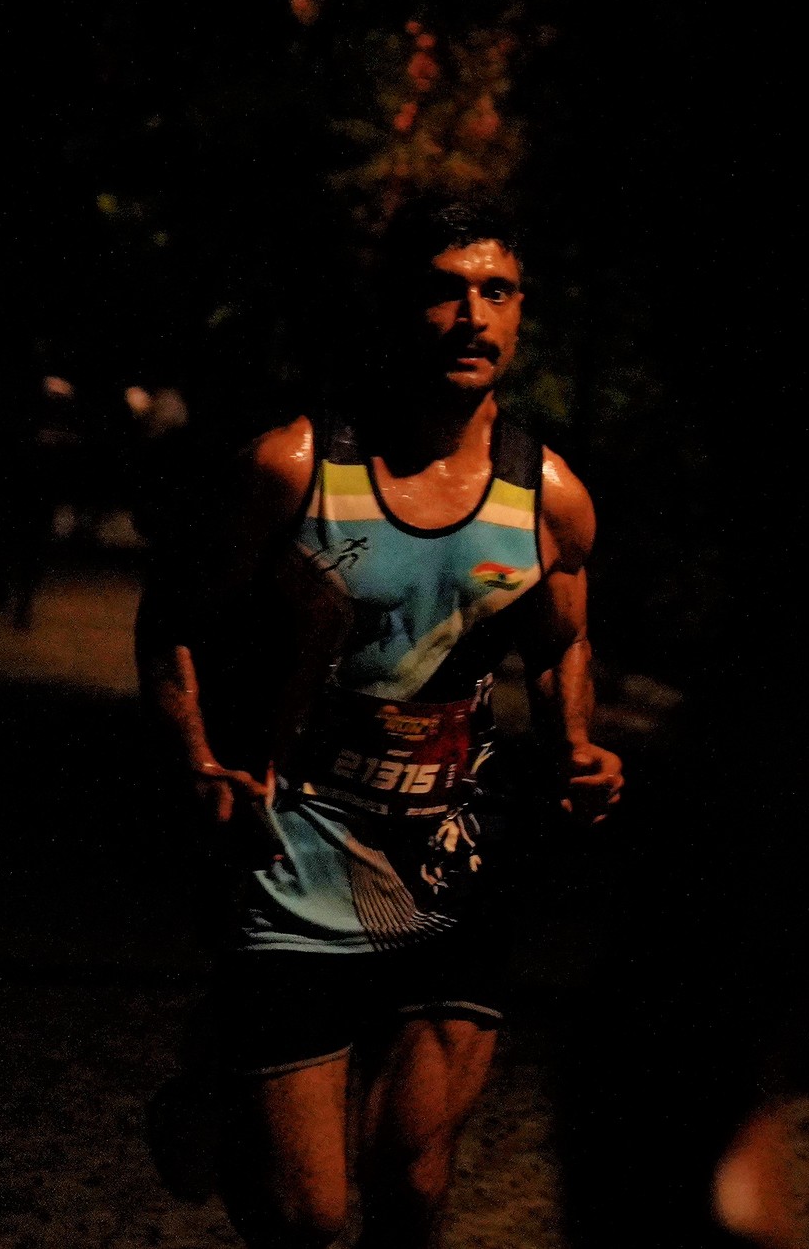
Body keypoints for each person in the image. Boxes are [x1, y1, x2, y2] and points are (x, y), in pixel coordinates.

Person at [138, 197, 624, 1249]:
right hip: (295, 850)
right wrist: (198, 760)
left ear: (521, 310)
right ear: (397, 305)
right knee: (307, 1216)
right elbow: (173, 617)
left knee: (410, 1178)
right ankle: (224, 1073)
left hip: (453, 857)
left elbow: (560, 642)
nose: (472, 315)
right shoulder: (293, 468)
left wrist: (576, 746)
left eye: (496, 291)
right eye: (445, 290)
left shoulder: (549, 495)